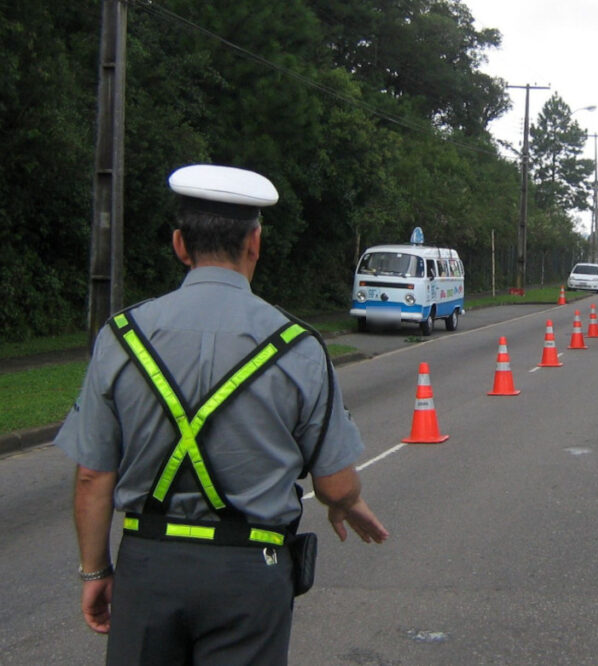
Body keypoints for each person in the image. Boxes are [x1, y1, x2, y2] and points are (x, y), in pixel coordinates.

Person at [55, 164, 389, 663]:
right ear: (255, 243)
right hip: (251, 572)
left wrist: (95, 572)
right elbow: (335, 485)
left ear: (179, 245)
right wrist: (346, 501)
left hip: (149, 567)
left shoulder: (120, 337)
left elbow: (91, 477)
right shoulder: (297, 346)